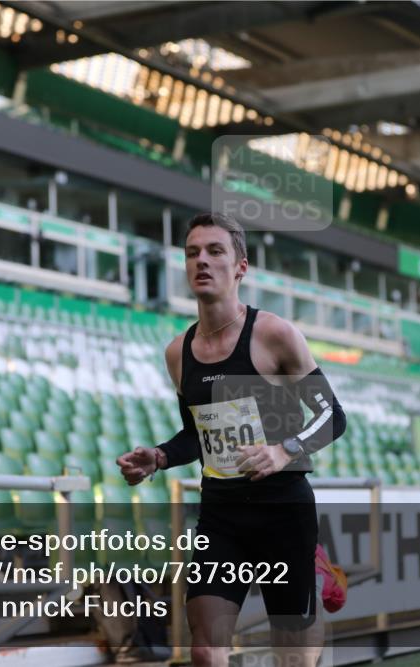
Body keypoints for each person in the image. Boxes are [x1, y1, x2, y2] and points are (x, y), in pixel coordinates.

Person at [117, 212, 346, 667]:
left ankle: (311, 572)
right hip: (221, 516)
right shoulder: (177, 353)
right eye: (192, 253)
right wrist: (160, 457)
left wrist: (285, 450)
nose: (202, 261)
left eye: (215, 251)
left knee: (292, 659)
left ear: (241, 266)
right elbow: (196, 435)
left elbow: (332, 416)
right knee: (204, 649)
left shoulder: (274, 335)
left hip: (284, 512)